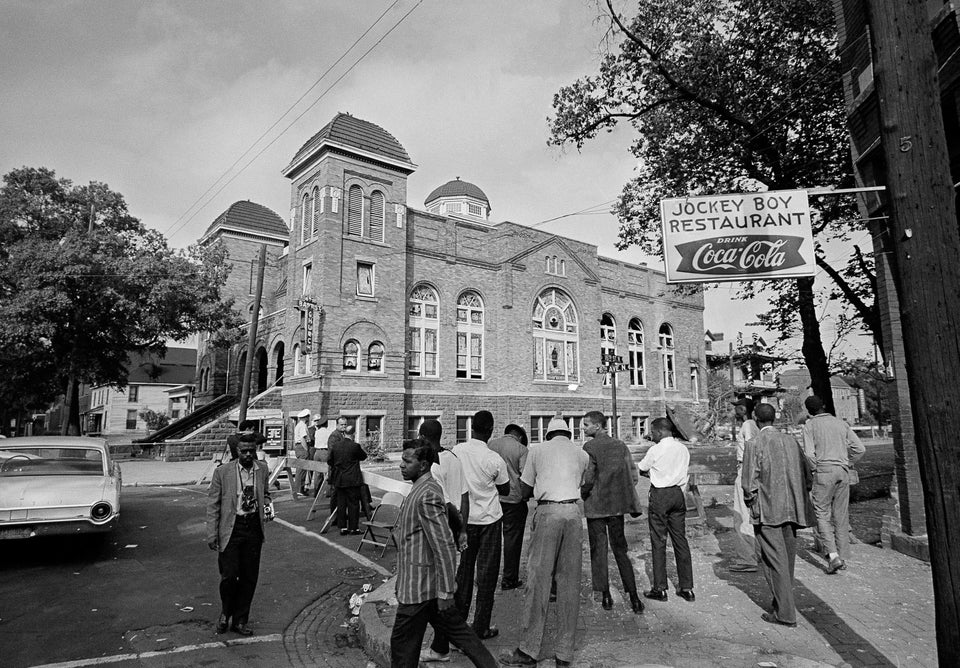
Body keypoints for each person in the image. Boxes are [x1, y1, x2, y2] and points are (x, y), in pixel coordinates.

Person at [389, 440, 498, 668]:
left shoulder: (426, 494)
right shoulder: (423, 487)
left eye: (407, 461)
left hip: (418, 590)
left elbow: (444, 545)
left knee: (402, 647)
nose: (401, 465)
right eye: (402, 460)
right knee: (462, 635)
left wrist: (446, 592)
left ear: (423, 465)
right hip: (426, 588)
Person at [500, 416, 589, 668]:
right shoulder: (581, 454)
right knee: (569, 583)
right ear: (567, 434)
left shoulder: (537, 451)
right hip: (573, 513)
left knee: (538, 581)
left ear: (548, 434)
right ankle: (564, 655)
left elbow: (526, 490)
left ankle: (529, 650)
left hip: (548, 512)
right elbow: (582, 482)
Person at [428, 411, 509, 659]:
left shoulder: (457, 452)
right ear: (491, 430)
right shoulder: (493, 458)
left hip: (464, 520)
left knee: (463, 574)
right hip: (489, 519)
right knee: (487, 575)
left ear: (472, 427)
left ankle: (456, 629)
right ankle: (481, 626)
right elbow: (504, 488)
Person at [742, 403, 816, 627]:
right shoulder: (791, 441)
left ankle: (784, 613)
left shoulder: (754, 444)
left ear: (756, 418)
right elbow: (807, 474)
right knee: (787, 560)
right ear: (774, 418)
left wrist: (752, 504)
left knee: (775, 562)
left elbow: (748, 483)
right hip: (792, 509)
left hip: (768, 511)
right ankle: (781, 603)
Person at [206, 433, 273, 636]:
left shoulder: (262, 469)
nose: (248, 454)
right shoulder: (222, 472)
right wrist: (212, 534)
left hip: (252, 528)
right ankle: (226, 613)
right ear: (236, 451)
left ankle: (240, 620)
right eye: (243, 451)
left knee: (249, 577)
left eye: (251, 451)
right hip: (231, 529)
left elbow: (266, 493)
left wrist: (268, 505)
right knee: (228, 576)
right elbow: (213, 504)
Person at [579, 411, 644, 614]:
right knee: (620, 550)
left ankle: (605, 595)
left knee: (599, 550)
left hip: (597, 506)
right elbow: (633, 476)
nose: (583, 428)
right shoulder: (620, 445)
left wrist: (584, 492)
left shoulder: (589, 447)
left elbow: (589, 477)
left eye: (586, 424)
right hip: (617, 507)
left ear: (597, 426)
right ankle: (634, 597)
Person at [801, 395, 865, 574]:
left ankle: (833, 555)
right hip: (843, 471)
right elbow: (860, 448)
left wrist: (816, 469)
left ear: (809, 411)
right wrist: (849, 462)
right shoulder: (840, 423)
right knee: (841, 515)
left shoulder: (810, 425)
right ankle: (843, 556)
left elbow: (809, 454)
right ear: (824, 405)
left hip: (824, 471)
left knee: (821, 513)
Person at [638, 417, 694, 603]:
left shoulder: (656, 449)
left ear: (660, 432)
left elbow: (642, 467)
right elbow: (683, 471)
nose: (651, 436)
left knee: (659, 540)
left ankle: (660, 588)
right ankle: (687, 587)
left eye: (653, 432)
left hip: (660, 494)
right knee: (680, 539)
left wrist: (652, 472)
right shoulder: (682, 448)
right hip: (678, 494)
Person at [486, 423, 529, 591]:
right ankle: (509, 579)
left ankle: (486, 576)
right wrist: (525, 496)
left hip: (493, 498)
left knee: (490, 540)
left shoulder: (491, 444)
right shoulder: (521, 449)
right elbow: (524, 477)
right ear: (519, 437)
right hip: (513, 500)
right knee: (512, 541)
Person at [419, 419, 469, 550]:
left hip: (443, 526)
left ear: (423, 437)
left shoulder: (432, 466)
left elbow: (447, 504)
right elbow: (465, 498)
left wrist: (457, 528)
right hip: (457, 524)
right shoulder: (454, 458)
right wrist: (463, 531)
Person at [729, 397, 761, 573]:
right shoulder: (753, 424)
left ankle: (747, 558)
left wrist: (747, 475)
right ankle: (757, 553)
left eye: (738, 408)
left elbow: (751, 449)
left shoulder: (748, 425)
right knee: (753, 515)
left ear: (743, 409)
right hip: (751, 471)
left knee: (741, 516)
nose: (735, 411)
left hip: (745, 470)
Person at [327, 418, 367, 535]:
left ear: (344, 433)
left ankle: (343, 527)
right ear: (353, 434)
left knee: (341, 503)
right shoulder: (355, 446)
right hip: (352, 479)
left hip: (339, 478)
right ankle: (353, 528)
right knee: (353, 503)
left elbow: (330, 460)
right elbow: (363, 456)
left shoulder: (336, 446)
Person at [311, 415, 335, 494]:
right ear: (326, 423)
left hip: (317, 452)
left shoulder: (317, 432)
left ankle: (316, 491)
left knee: (317, 474)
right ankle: (328, 492)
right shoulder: (329, 432)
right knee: (327, 472)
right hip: (325, 452)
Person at [292, 409, 313, 496]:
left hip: (298, 447)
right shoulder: (303, 425)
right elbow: (303, 439)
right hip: (302, 447)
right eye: (308, 416)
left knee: (300, 469)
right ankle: (299, 489)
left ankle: (299, 488)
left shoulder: (298, 425)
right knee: (302, 469)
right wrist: (306, 450)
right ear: (306, 417)